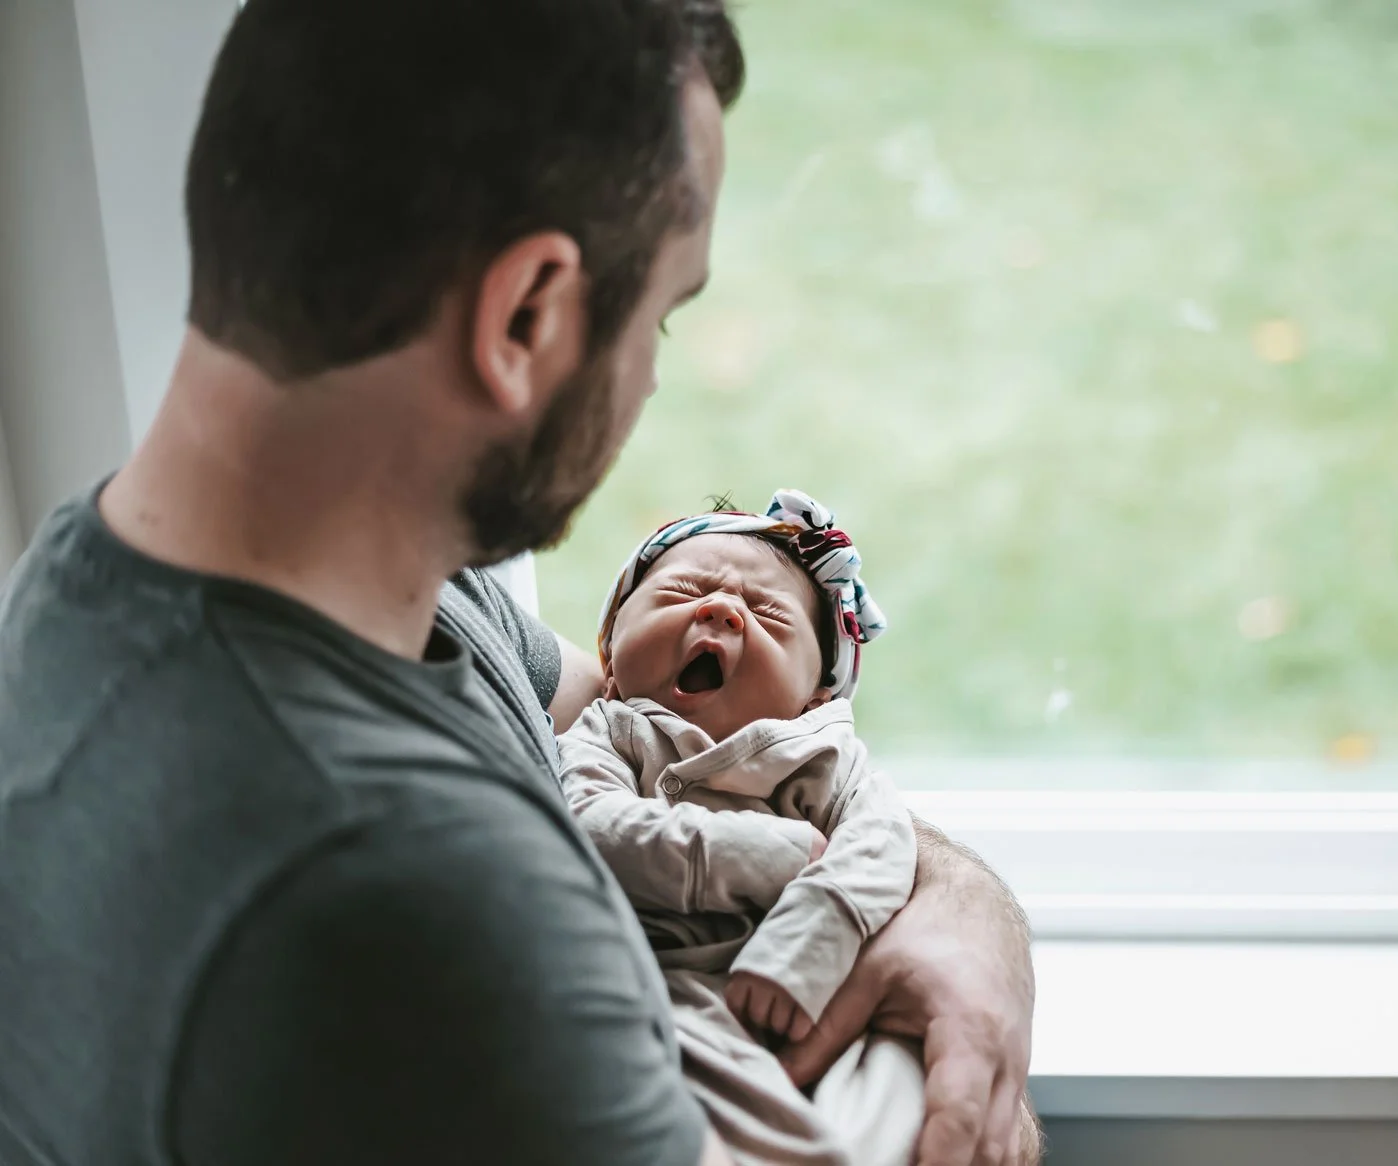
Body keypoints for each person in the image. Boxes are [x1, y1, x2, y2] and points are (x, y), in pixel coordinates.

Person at [0, 2, 1039, 1164]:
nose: (648, 379)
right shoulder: (417, 903)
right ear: (526, 315)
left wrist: (959, 906)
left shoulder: (257, 584)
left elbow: (646, 719)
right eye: (660, 314)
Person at [562, 490, 923, 1164]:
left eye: (768, 614)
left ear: (816, 692)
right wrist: (769, 853)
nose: (720, 609)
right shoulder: (611, 732)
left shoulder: (823, 756)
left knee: (901, 1092)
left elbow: (881, 843)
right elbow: (586, 829)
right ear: (609, 651)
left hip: (813, 980)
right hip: (664, 982)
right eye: (682, 592)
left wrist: (811, 935)